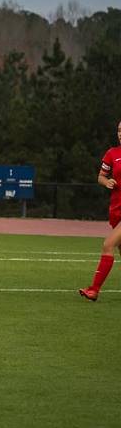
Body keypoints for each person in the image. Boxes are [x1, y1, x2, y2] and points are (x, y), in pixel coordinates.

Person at [79, 120, 121, 301]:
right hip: (117, 209)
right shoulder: (112, 153)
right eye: (119, 130)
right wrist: (107, 182)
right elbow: (101, 177)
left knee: (108, 245)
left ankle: (94, 289)